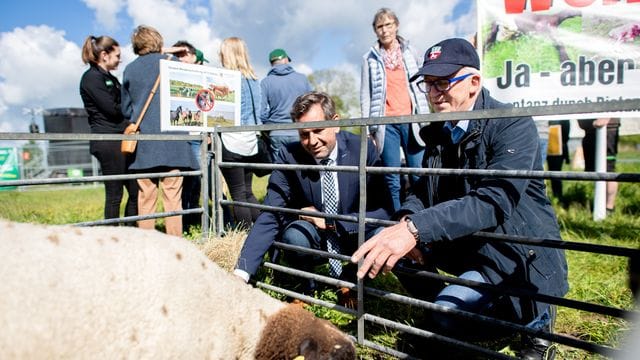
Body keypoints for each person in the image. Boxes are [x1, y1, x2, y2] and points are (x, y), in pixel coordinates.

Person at [351, 38, 568, 360]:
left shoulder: (512, 124)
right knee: (388, 241)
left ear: (474, 82)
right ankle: (457, 311)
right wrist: (404, 223)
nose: (434, 94)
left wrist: (415, 230)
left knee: (448, 311)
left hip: (516, 253)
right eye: (428, 85)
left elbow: (494, 200)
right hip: (470, 247)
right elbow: (424, 192)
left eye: (443, 83)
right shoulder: (439, 133)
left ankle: (533, 327)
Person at [234, 91, 393, 288]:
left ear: (335, 123)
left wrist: (331, 221)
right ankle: (306, 289)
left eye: (318, 130)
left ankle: (351, 281)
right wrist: (241, 273)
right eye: (304, 134)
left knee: (380, 232)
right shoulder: (289, 155)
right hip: (315, 236)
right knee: (295, 236)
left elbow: (384, 210)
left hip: (354, 232)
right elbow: (271, 213)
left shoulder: (362, 149)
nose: (312, 141)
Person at [121, 25, 197, 237]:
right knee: (173, 199)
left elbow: (126, 109)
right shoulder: (173, 64)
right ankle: (176, 246)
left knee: (146, 198)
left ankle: (148, 244)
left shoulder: (130, 69)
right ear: (158, 41)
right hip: (174, 143)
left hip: (145, 144)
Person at [361, 8, 430, 212]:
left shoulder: (410, 51)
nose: (385, 30)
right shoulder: (370, 58)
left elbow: (423, 83)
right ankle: (397, 216)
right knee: (392, 176)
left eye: (388, 25)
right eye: (380, 26)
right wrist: (369, 128)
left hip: (412, 120)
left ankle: (422, 214)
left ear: (396, 25)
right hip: (385, 123)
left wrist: (426, 115)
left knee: (417, 171)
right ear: (375, 31)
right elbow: (366, 94)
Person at [79, 35, 138, 224]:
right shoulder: (91, 79)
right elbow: (112, 109)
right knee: (115, 193)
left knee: (136, 191)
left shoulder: (109, 77)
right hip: (107, 140)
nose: (120, 59)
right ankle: (112, 234)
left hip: (120, 137)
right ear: (104, 55)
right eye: (117, 55)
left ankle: (129, 232)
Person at [218, 37, 263, 227]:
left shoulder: (225, 80)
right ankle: (264, 230)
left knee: (237, 194)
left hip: (232, 140)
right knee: (248, 191)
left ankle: (245, 238)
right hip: (250, 140)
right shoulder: (254, 79)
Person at [168, 40, 206, 232]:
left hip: (197, 137)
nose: (181, 59)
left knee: (196, 179)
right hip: (179, 137)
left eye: (184, 55)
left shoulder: (200, 77)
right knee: (181, 181)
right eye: (179, 55)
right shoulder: (170, 74)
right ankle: (182, 220)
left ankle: (194, 217)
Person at [260, 48, 312, 159]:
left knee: (280, 171)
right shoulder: (302, 79)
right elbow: (312, 105)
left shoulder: (265, 82)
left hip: (277, 133)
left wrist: (271, 127)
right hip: (300, 131)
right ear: (285, 60)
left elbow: (261, 112)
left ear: (272, 63)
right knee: (303, 169)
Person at [578, 117, 620, 215]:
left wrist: (606, 116)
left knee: (608, 169)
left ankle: (609, 208)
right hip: (590, 130)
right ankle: (599, 206)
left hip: (607, 129)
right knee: (593, 170)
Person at [547, 120, 571, 199]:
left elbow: (565, 133)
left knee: (555, 174)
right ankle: (557, 197)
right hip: (555, 145)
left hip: (556, 146)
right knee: (555, 174)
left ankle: (557, 196)